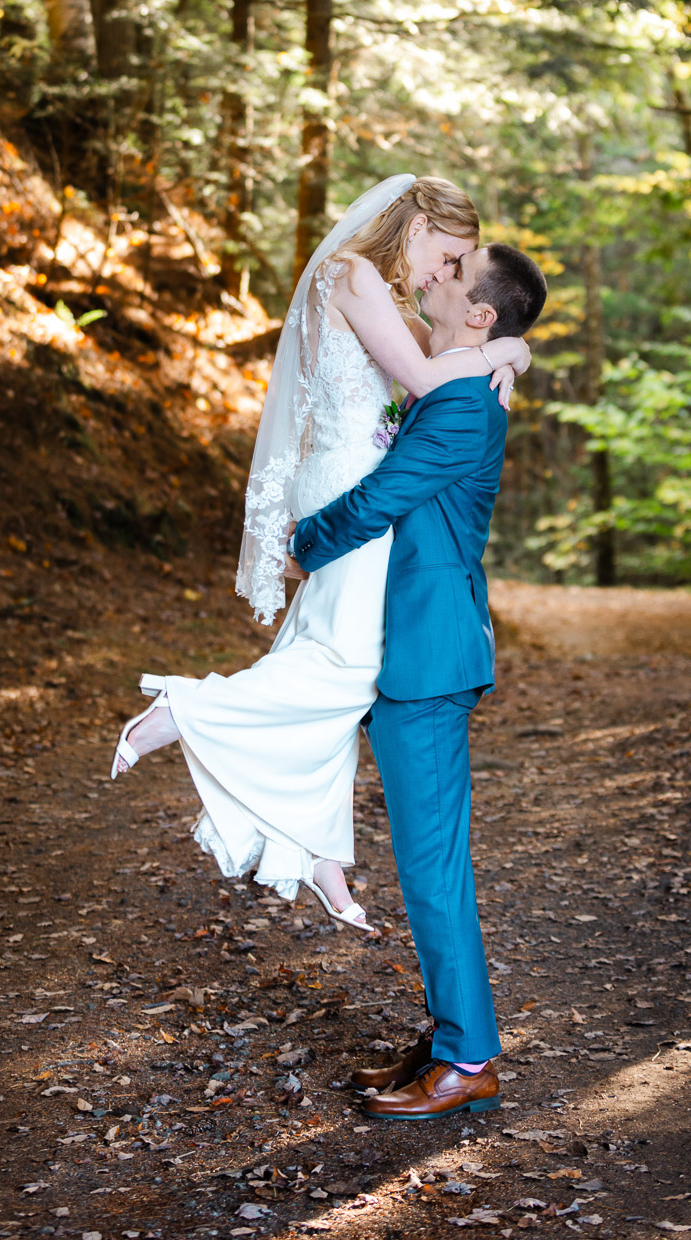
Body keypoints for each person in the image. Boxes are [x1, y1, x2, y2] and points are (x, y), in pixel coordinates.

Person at [107, 175, 531, 931]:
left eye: (459, 263)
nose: (443, 271)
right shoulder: (355, 274)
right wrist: (509, 347)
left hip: (348, 472)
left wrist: (503, 345)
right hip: (345, 484)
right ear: (416, 224)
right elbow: (431, 379)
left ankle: (317, 852)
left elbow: (416, 381)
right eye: (449, 252)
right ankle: (186, 708)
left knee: (322, 650)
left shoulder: (375, 287)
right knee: (349, 666)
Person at [288, 241, 548, 1120]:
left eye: (452, 272)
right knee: (424, 864)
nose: (433, 275)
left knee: (434, 869)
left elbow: (379, 500)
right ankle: (448, 1038)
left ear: (479, 313)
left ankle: (469, 1059)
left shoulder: (464, 409)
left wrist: (298, 547)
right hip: (406, 648)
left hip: (428, 660)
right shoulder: (459, 381)